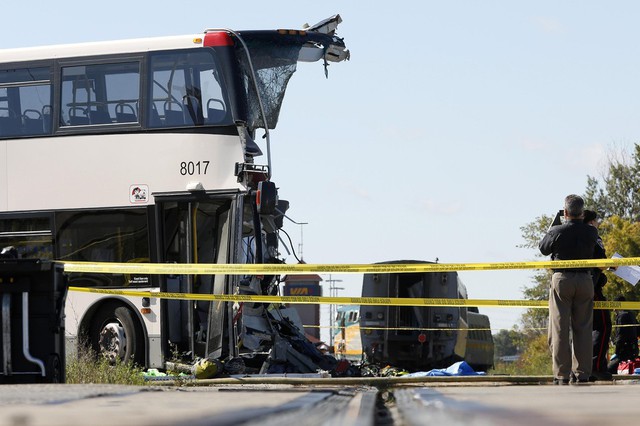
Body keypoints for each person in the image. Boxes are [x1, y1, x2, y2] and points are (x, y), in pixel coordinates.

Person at [539, 194, 605, 385]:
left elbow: (543, 248)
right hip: (585, 280)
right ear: (583, 213)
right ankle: (582, 373)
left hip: (563, 279)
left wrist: (555, 224)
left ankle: (561, 375)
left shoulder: (558, 230)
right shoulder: (591, 232)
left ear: (565, 212)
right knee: (583, 328)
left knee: (560, 328)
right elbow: (599, 254)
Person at [583, 209, 612, 381]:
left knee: (581, 329)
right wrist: (611, 265)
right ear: (591, 222)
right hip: (591, 287)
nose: (598, 223)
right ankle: (596, 366)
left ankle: (581, 368)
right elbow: (600, 261)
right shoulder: (593, 236)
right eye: (597, 220)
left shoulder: (572, 234)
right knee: (603, 326)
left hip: (573, 286)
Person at [607, 296, 639, 374]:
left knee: (608, 370)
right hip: (633, 351)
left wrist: (616, 352)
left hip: (624, 353)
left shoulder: (622, 316)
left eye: (614, 306)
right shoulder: (631, 314)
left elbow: (620, 336)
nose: (613, 309)